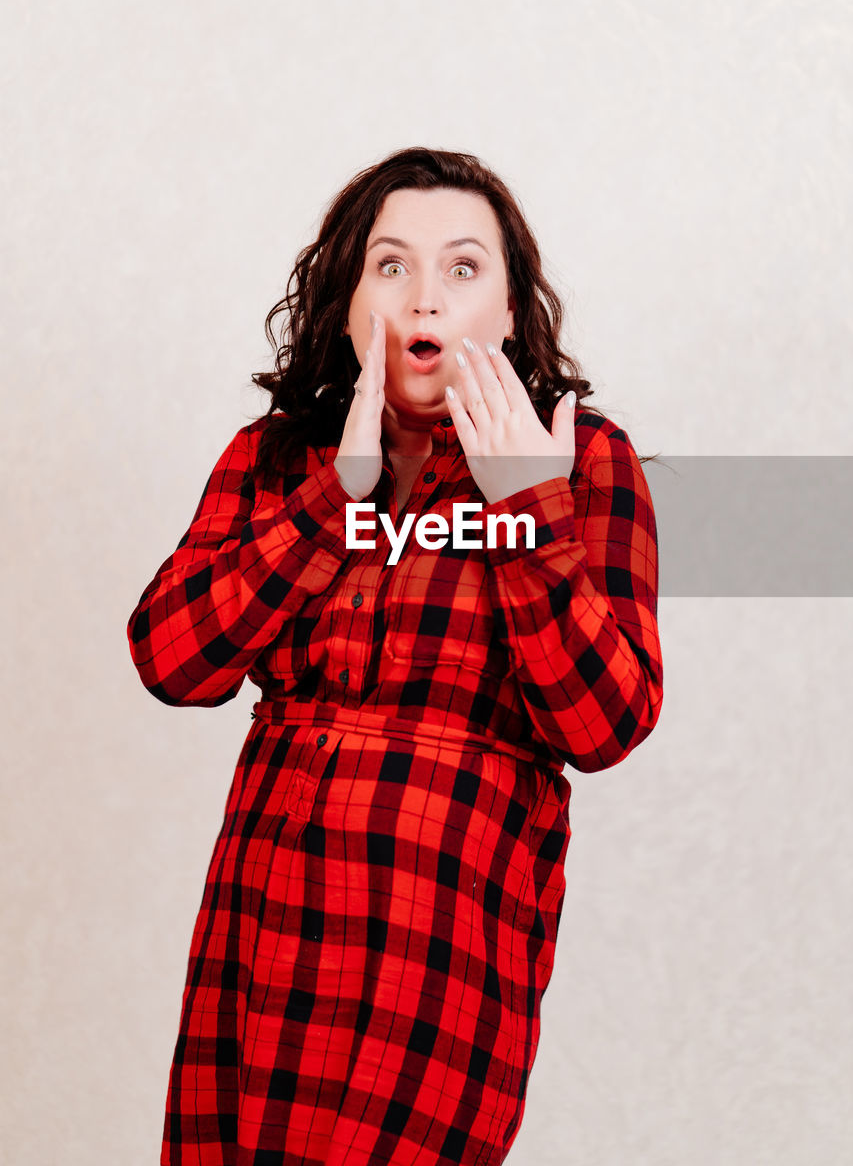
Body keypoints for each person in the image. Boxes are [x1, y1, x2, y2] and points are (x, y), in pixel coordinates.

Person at [127, 146, 665, 1166]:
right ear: (347, 301)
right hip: (264, 920)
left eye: (464, 269)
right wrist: (336, 496)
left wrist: (525, 508)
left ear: (509, 312)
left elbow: (606, 722)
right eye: (392, 265)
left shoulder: (583, 457)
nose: (426, 295)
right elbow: (169, 654)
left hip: (437, 943)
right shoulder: (276, 457)